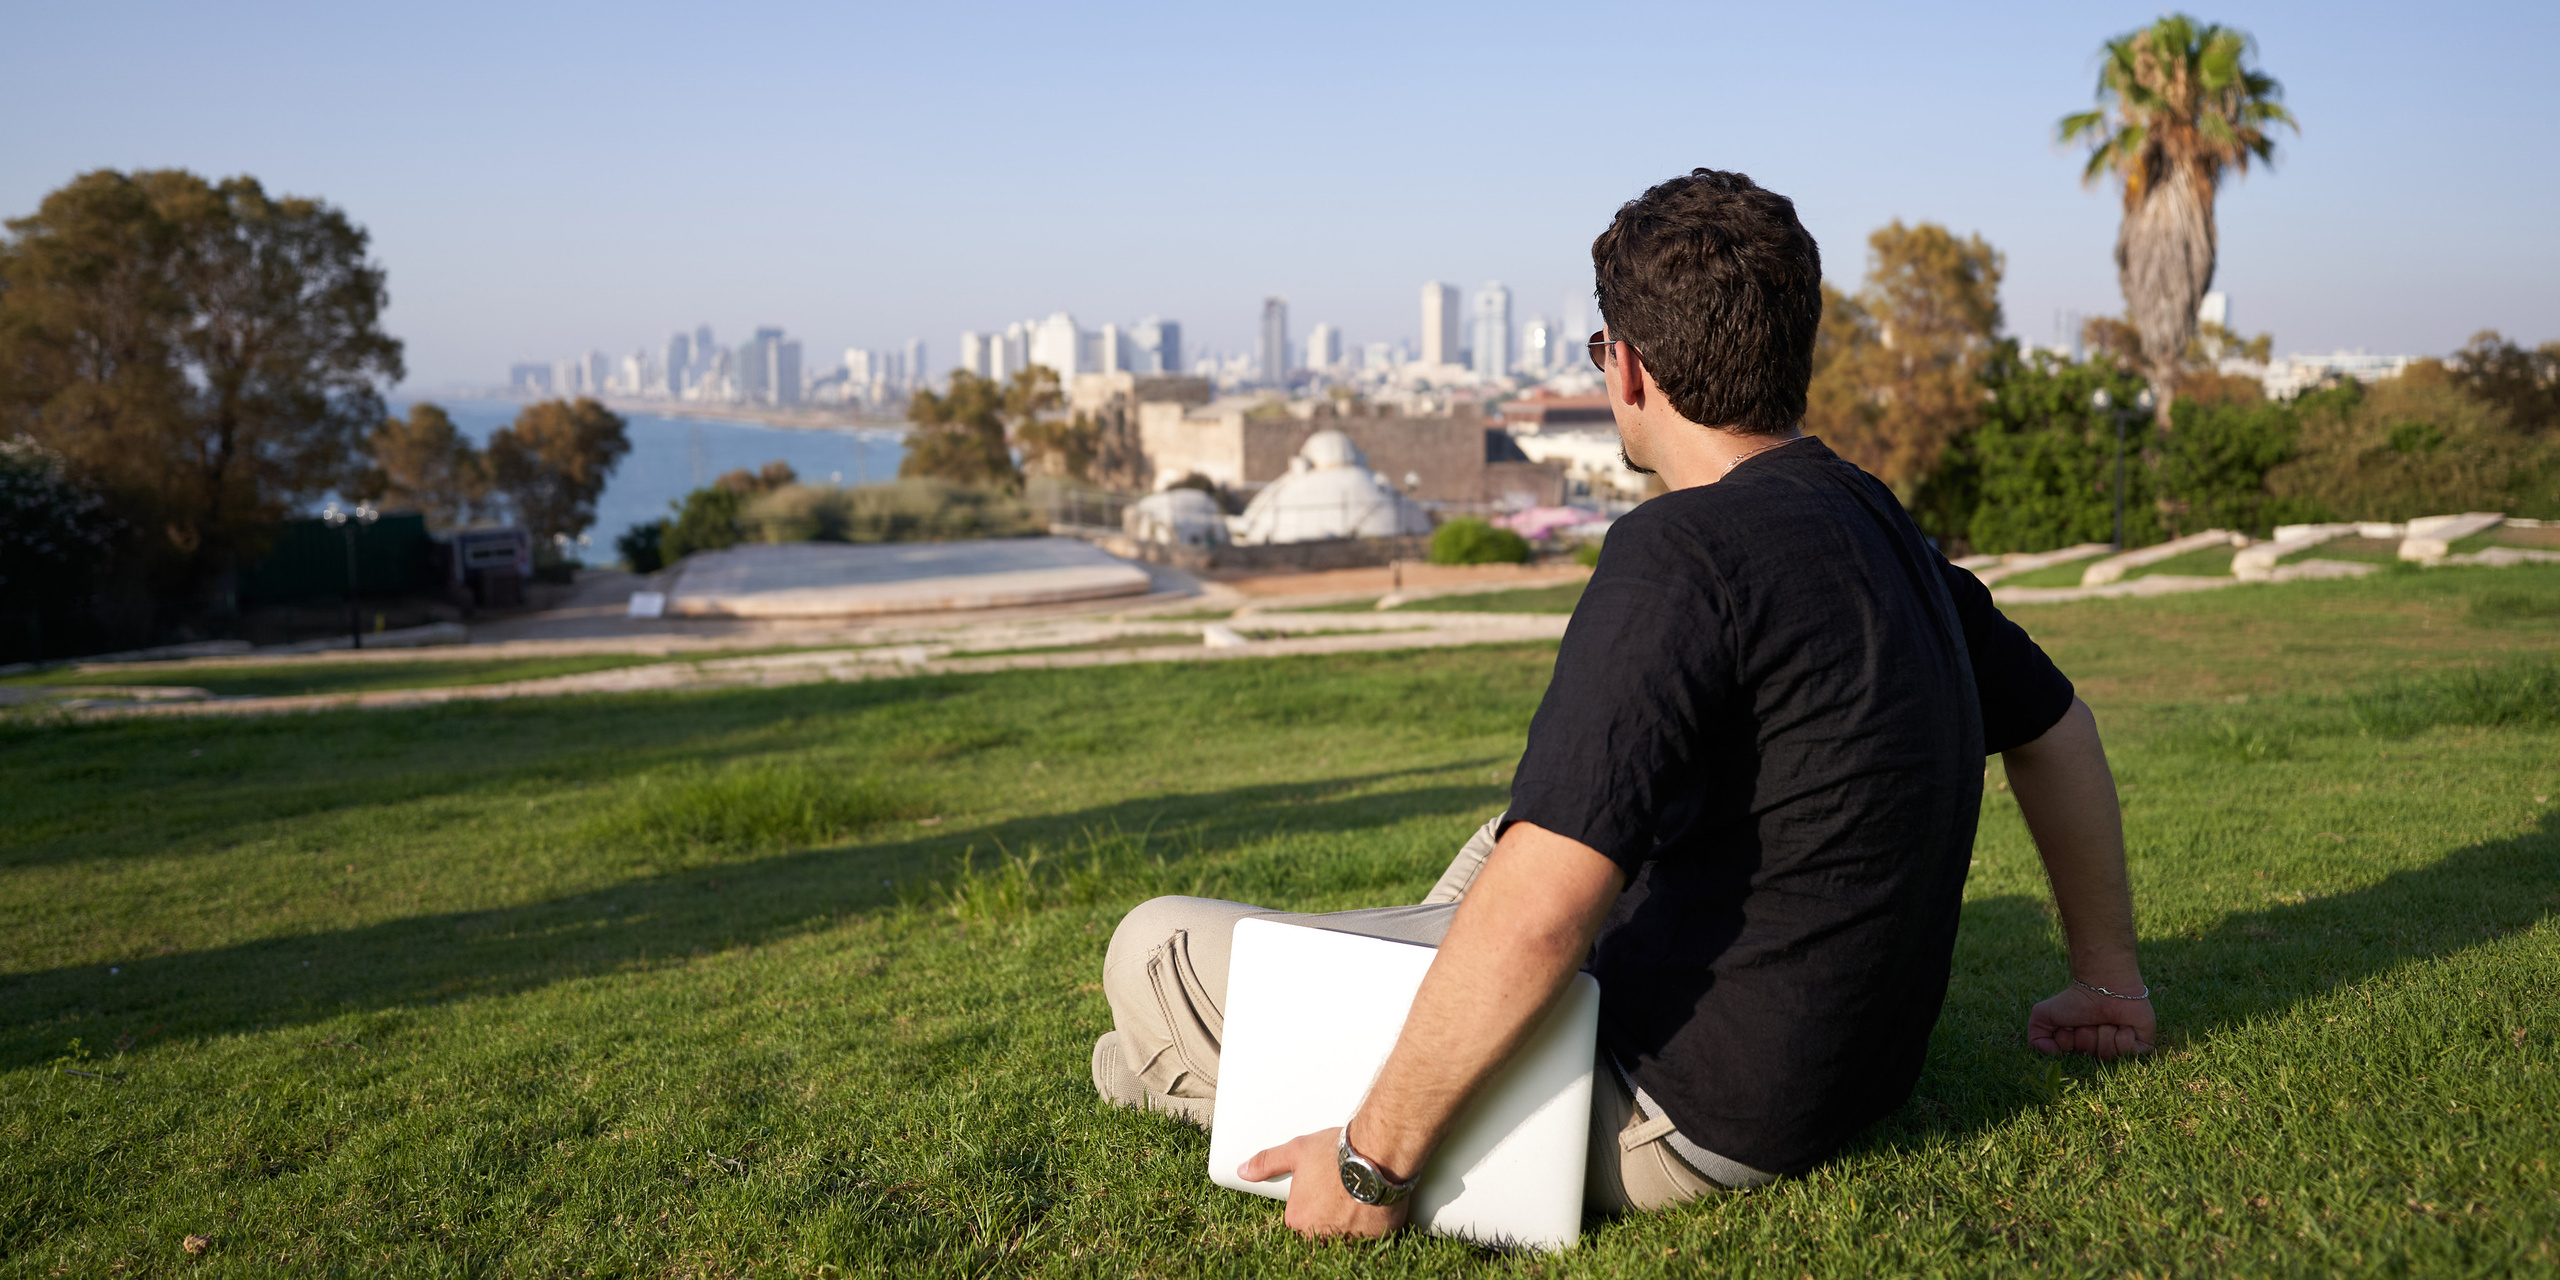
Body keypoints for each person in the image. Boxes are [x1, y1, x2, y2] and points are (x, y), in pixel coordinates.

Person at [1088, 168, 2155, 1238]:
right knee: (1503, 838)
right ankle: (1310, 1010)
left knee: (1151, 951)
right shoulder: (1867, 515)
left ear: (1629, 366)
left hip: (1679, 1109)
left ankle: (1223, 1063)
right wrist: (2106, 982)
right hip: (1839, 1077)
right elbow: (2057, 728)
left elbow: (1548, 905)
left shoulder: (1678, 550)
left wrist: (1373, 1162)